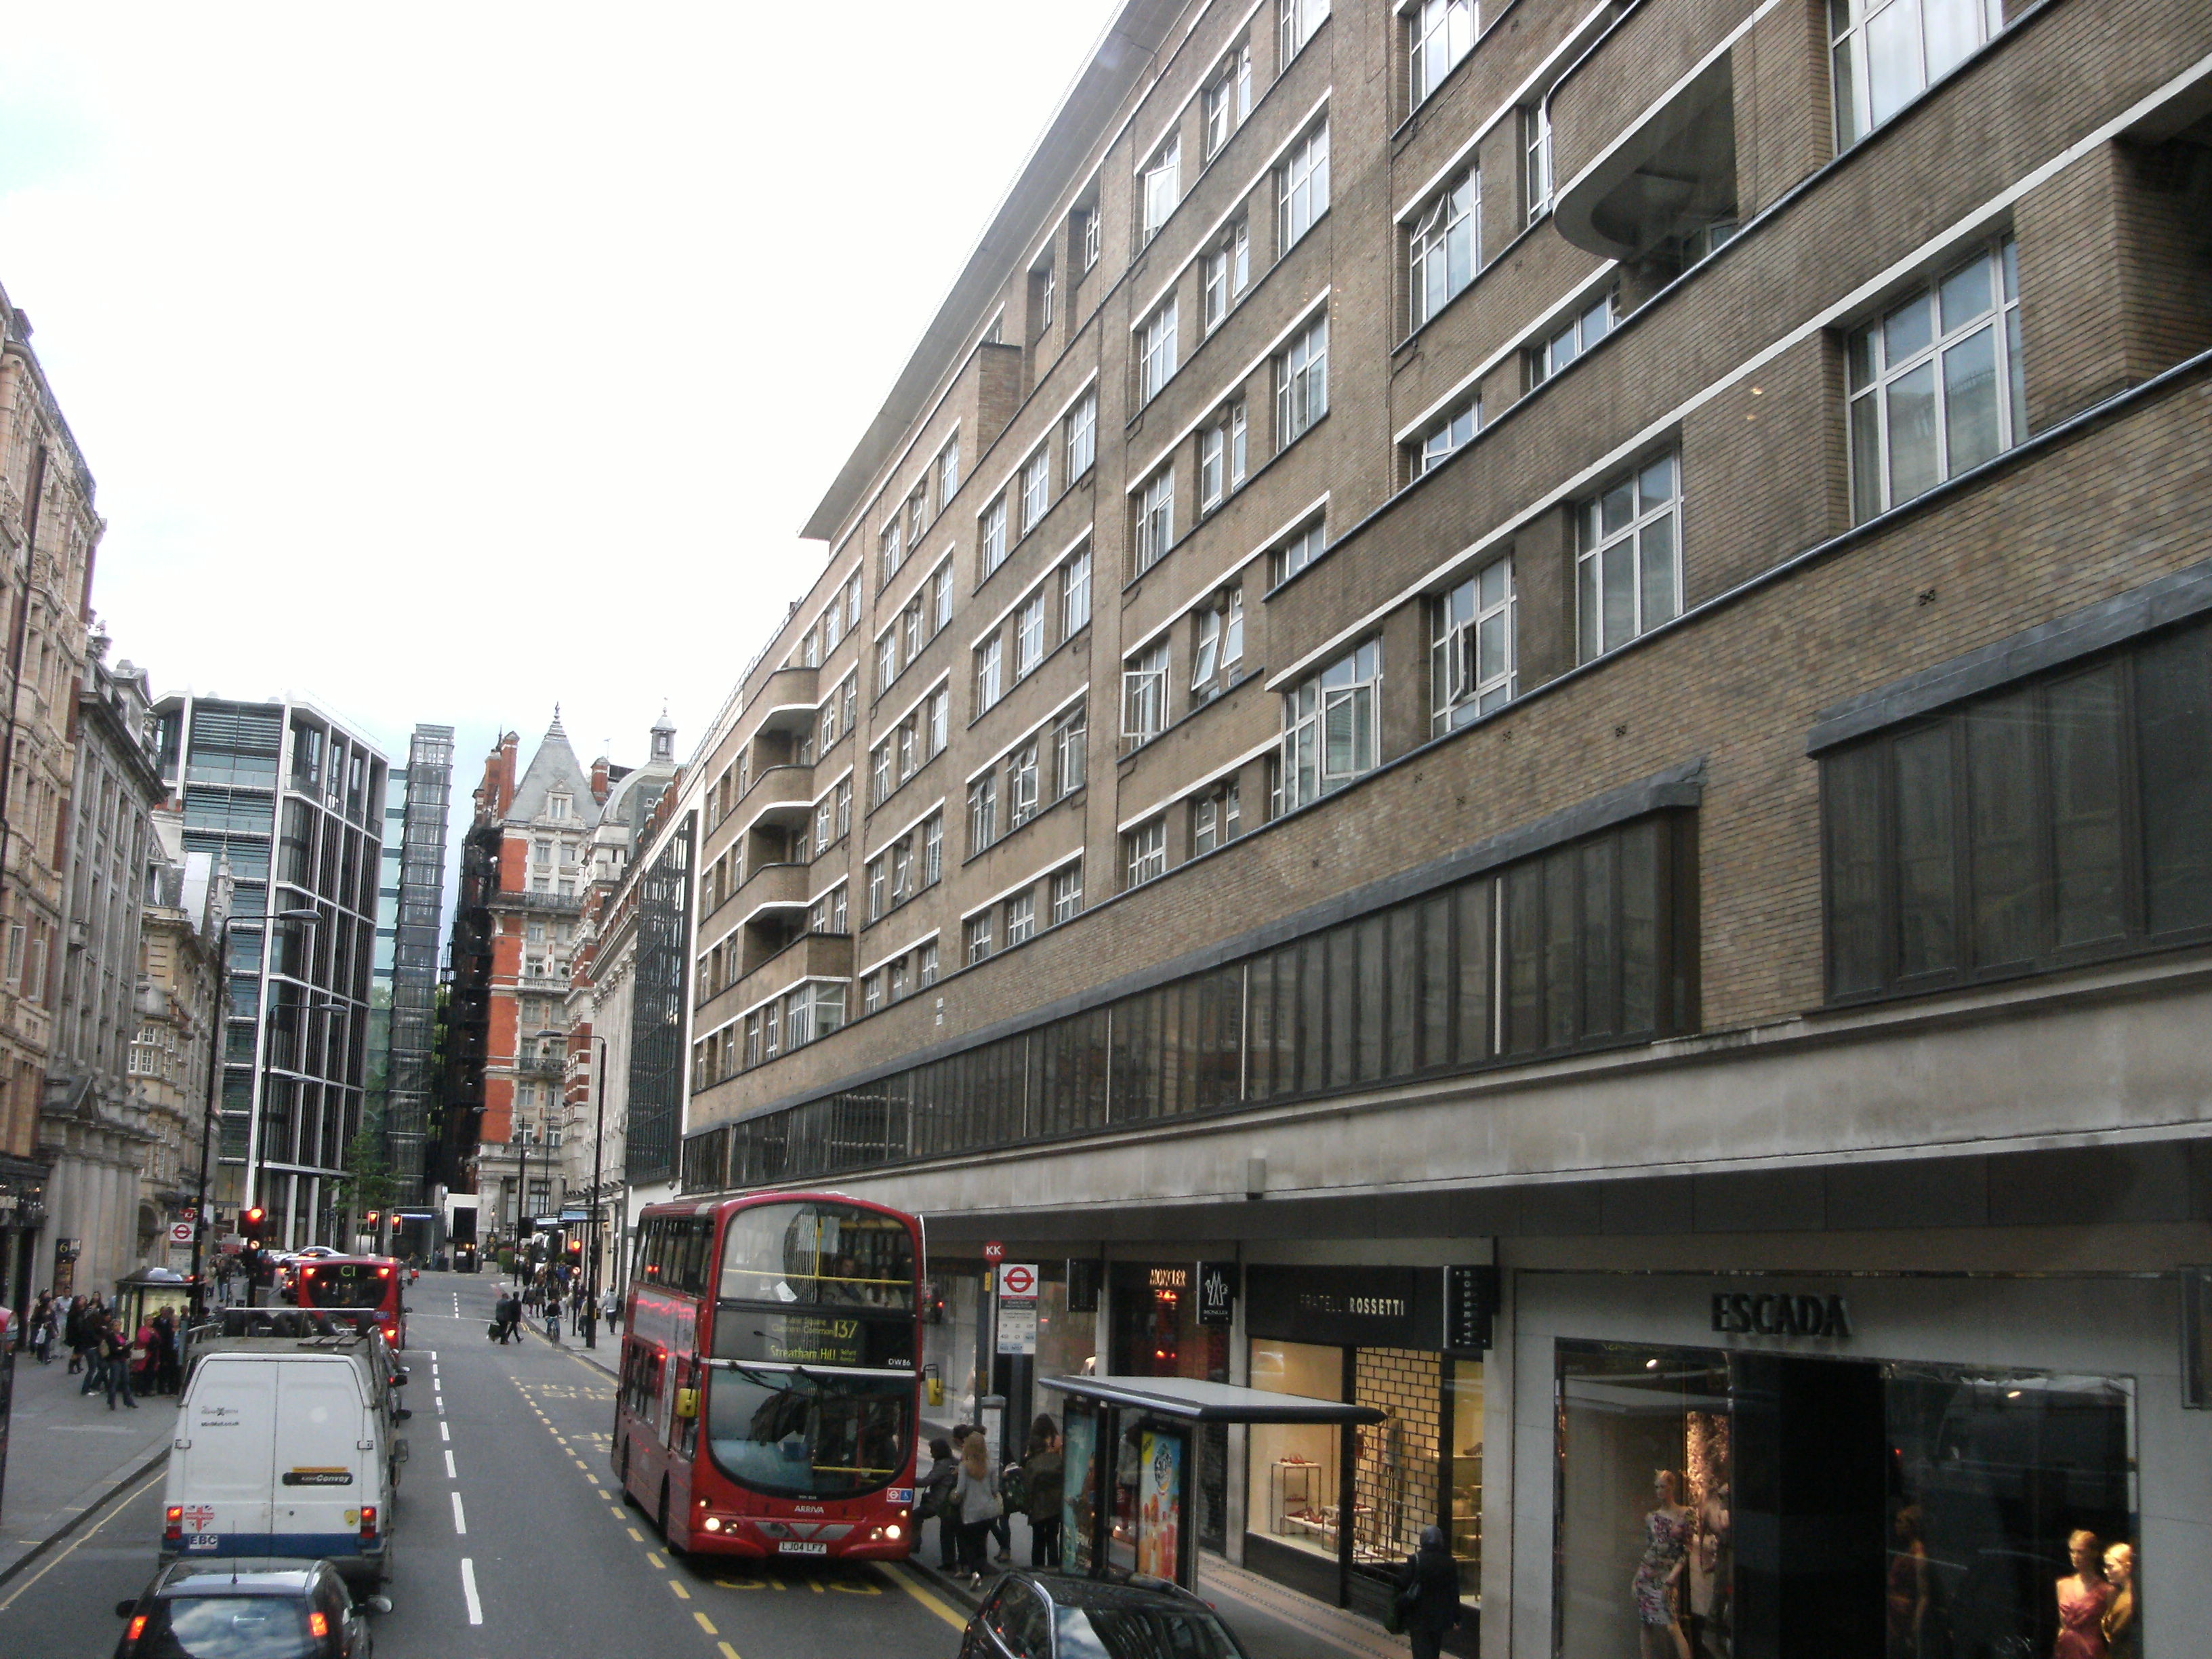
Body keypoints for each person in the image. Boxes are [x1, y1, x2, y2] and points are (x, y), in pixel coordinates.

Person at [1633, 1469, 1693, 1659]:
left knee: (1672, 1625)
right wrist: (1637, 1577)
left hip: (1667, 1573)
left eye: (1663, 1487)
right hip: (1648, 1573)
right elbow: (1651, 1549)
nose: (1659, 1491)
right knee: (1646, 1622)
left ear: (1671, 1488)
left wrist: (1673, 1576)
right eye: (1657, 1487)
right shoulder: (1651, 1517)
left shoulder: (1685, 1514)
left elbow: (1687, 1550)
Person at [1395, 1524, 1465, 1659]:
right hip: (1440, 1615)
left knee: (1420, 1649)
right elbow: (1453, 1592)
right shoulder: (1449, 1562)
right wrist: (1457, 1617)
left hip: (1418, 1614)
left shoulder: (1416, 1560)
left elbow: (1402, 1583)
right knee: (1434, 1649)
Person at [951, 1425, 1002, 1588]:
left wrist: (953, 1497)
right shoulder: (990, 1466)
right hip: (988, 1511)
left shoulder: (965, 1466)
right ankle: (981, 1571)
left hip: (971, 1512)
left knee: (969, 1544)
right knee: (981, 1542)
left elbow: (960, 1490)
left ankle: (974, 1573)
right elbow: (995, 1490)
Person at [2055, 1530, 2112, 1659]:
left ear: (2093, 1553)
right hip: (2066, 1649)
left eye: (2080, 1552)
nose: (2074, 1556)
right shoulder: (2062, 1585)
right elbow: (2063, 1625)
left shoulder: (2106, 1590)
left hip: (2091, 1651)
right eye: (2072, 1551)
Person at [1021, 1414, 1065, 1568]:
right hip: (1055, 1506)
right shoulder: (1059, 1460)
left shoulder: (1033, 1464)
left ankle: (1038, 1569)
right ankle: (1054, 1566)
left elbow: (1029, 1487)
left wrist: (1027, 1506)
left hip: (1039, 1507)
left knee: (1038, 1540)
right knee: (1053, 1539)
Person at [919, 1436, 960, 1570]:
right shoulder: (954, 1461)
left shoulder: (942, 1465)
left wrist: (907, 1479)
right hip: (952, 1502)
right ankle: (954, 1561)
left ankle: (948, 1562)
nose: (931, 1453)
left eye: (932, 1450)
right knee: (952, 1533)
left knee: (946, 1533)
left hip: (941, 1503)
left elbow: (927, 1481)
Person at [2101, 1541, 2137, 1659]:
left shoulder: (2130, 1600)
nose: (2106, 1571)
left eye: (2110, 1567)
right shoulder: (2120, 1595)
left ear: (2127, 1567)